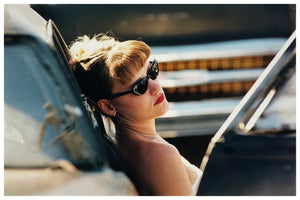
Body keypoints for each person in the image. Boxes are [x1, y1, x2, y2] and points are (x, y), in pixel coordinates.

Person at [69, 34, 202, 196]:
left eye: (152, 72)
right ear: (108, 106)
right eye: (140, 87)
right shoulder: (158, 154)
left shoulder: (125, 144)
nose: (156, 87)